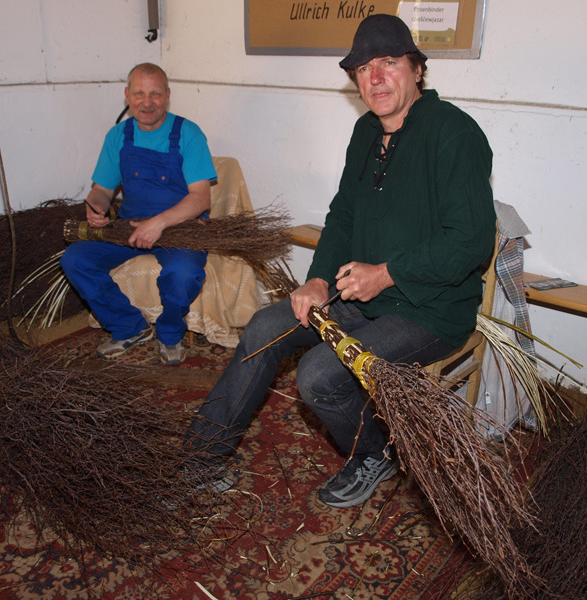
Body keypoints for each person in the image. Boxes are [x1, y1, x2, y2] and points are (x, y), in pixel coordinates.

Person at [187, 14, 497, 507]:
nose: (376, 77)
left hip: (430, 308)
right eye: (364, 68)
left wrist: (387, 274)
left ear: (417, 69)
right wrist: (316, 282)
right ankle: (201, 458)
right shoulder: (365, 134)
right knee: (265, 328)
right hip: (361, 292)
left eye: (389, 62)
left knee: (318, 376)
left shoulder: (453, 134)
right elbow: (344, 217)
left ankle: (374, 455)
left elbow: (471, 241)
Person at [61, 63, 217, 364]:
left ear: (168, 96)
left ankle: (170, 333)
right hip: (129, 225)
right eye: (139, 94)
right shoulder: (118, 135)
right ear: (127, 96)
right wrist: (96, 206)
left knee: (183, 274)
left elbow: (200, 199)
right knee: (75, 259)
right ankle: (128, 327)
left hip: (180, 226)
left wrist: (158, 224)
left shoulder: (188, 134)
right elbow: (102, 190)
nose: (147, 103)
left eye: (155, 94)